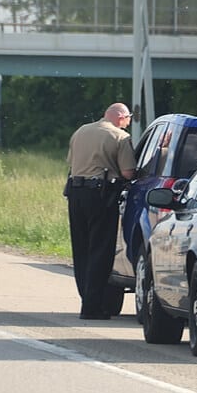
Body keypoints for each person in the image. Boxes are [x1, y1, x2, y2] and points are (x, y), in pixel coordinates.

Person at [66, 102, 137, 320]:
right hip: (101, 195)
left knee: (82, 249)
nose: (128, 123)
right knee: (100, 249)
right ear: (121, 117)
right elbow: (127, 173)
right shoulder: (120, 137)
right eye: (128, 119)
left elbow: (71, 162)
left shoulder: (81, 131)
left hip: (76, 193)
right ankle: (92, 306)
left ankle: (86, 298)